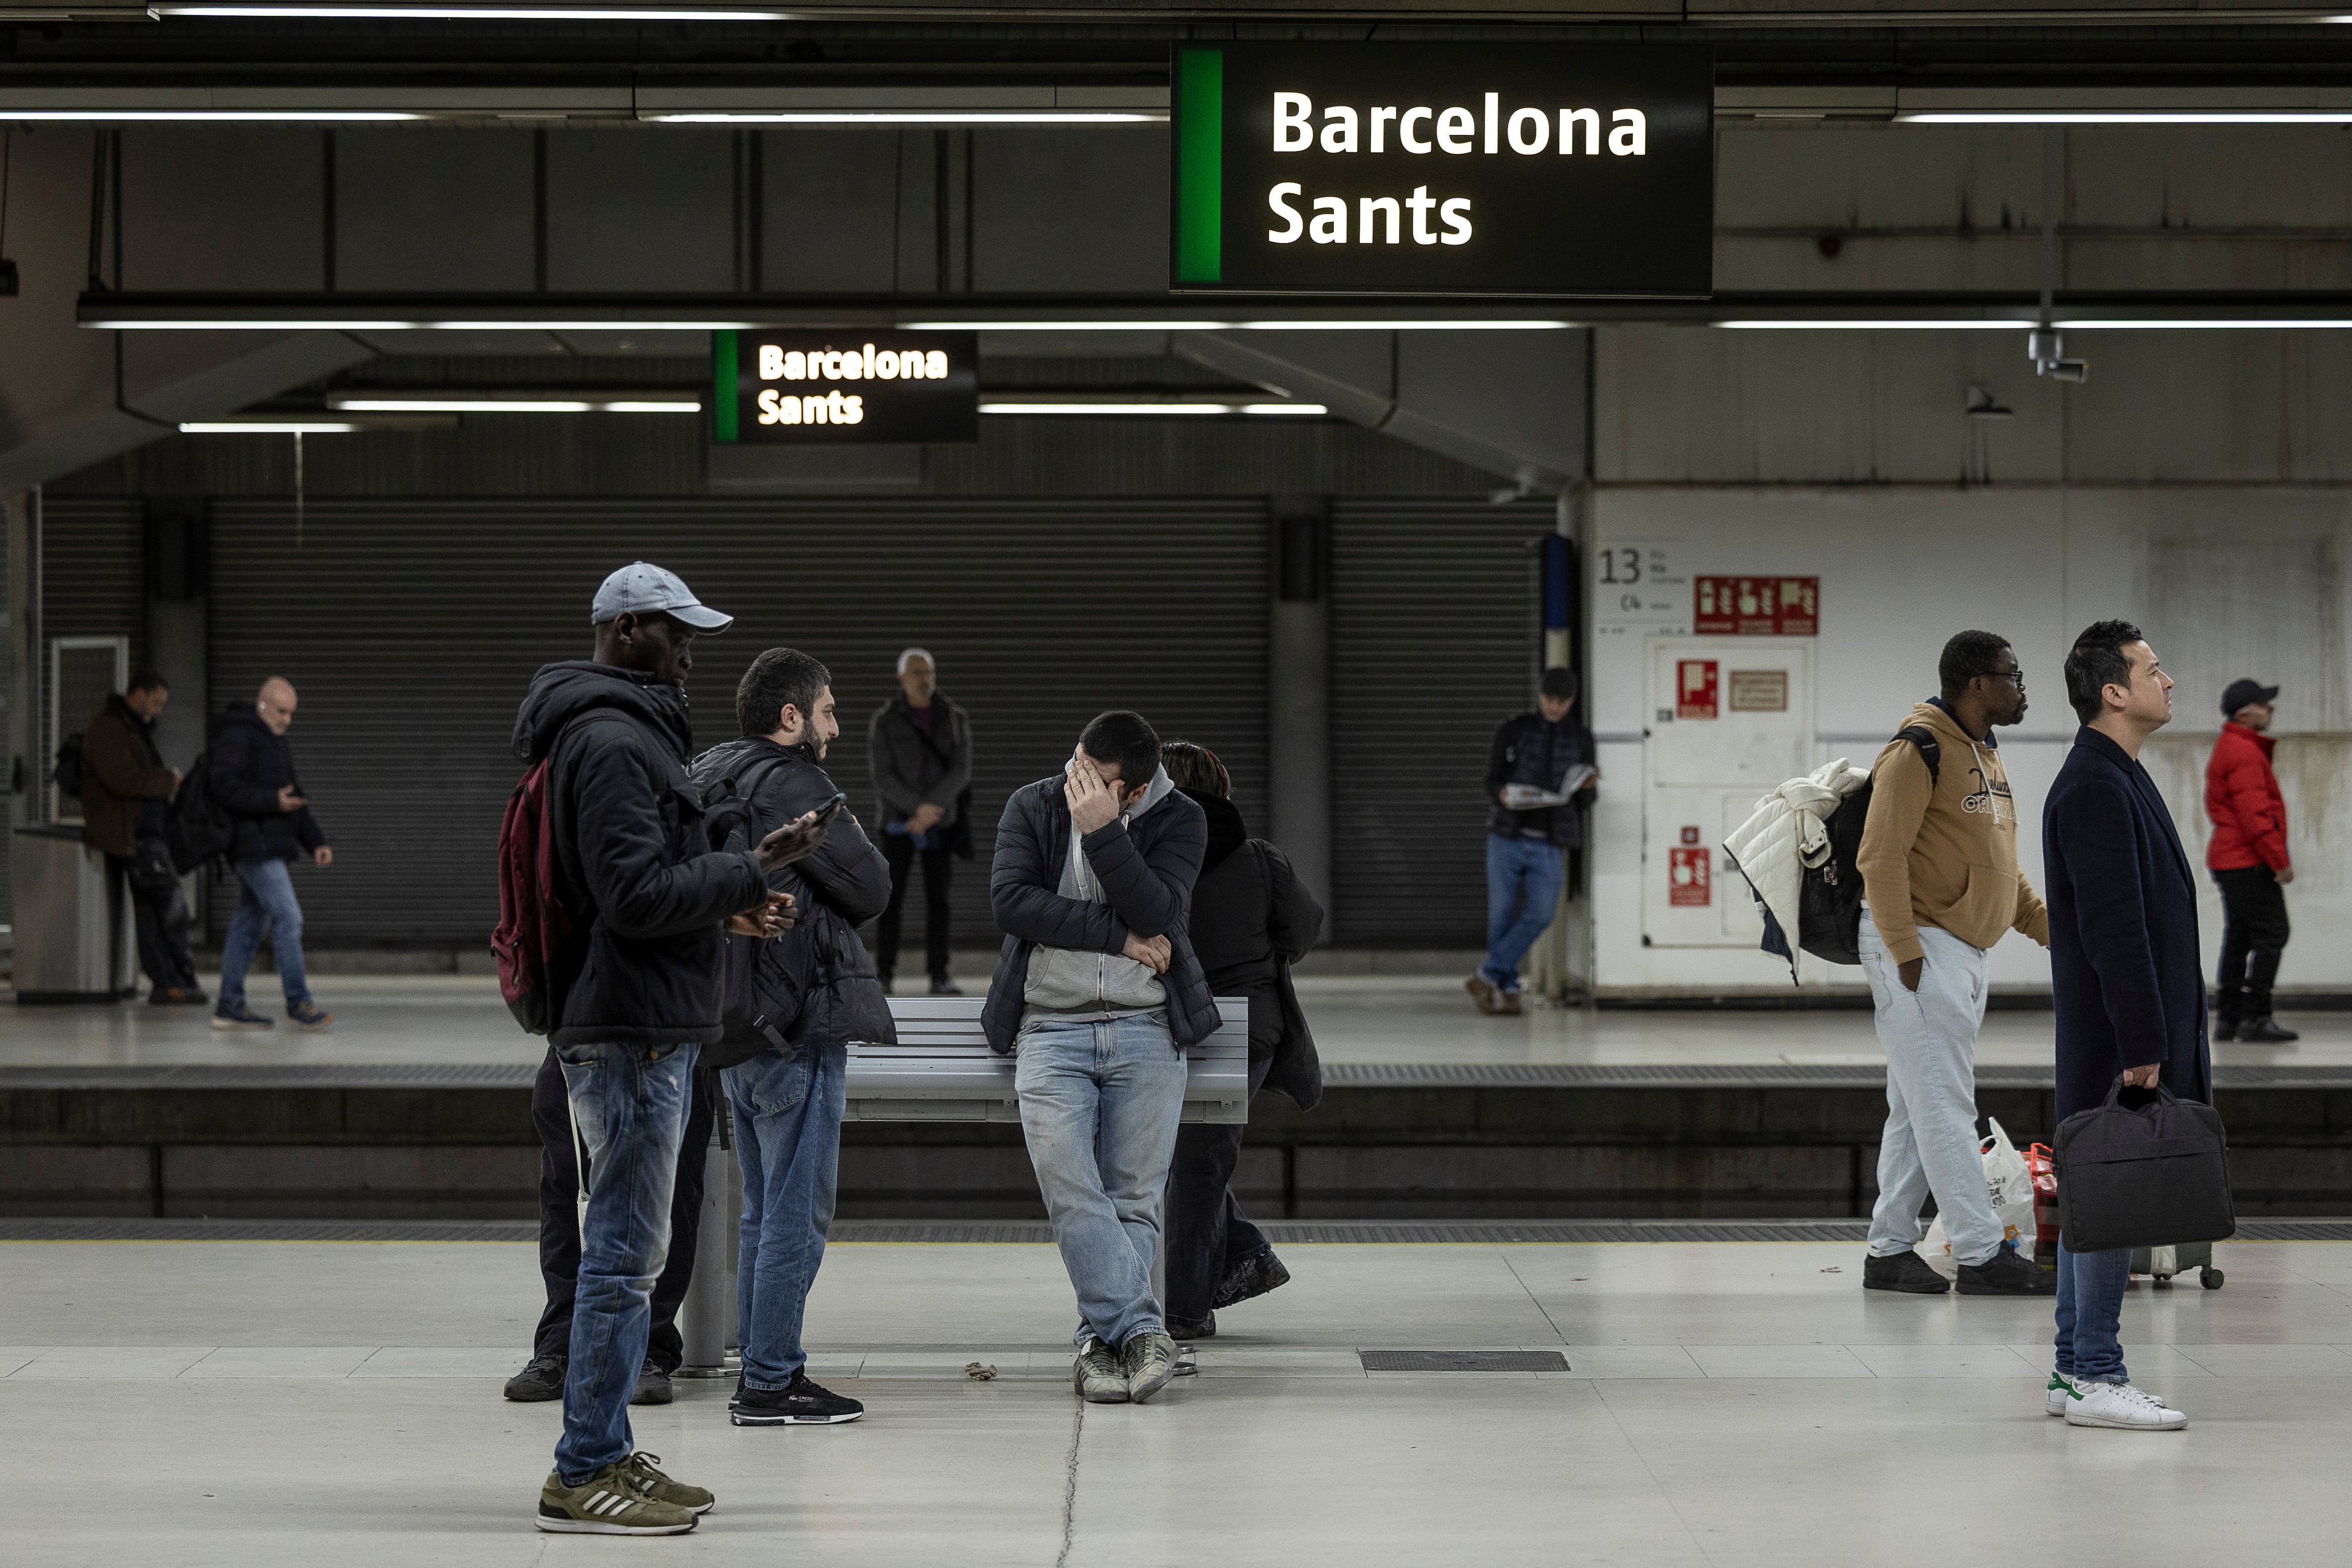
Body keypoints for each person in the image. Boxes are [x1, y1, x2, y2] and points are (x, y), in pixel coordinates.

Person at [513, 562, 825, 1535]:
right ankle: (584, 1468)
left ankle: (603, 1448)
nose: (692, 651)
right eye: (677, 632)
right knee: (621, 1259)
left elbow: (638, 894)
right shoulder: (609, 739)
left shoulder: (623, 730)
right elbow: (636, 896)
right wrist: (754, 863)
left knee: (631, 1255)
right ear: (627, 627)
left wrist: (730, 907)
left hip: (642, 1019)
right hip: (629, 1036)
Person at [984, 710, 1216, 1407]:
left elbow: (1159, 910)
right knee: (1071, 1187)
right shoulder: (1032, 804)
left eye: (1096, 782)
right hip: (1050, 1029)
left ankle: (1098, 1347)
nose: (1074, 786)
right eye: (1074, 767)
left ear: (1136, 792)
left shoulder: (1183, 821)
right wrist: (1118, 940)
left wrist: (1104, 833)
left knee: (1135, 1201)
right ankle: (1143, 1332)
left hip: (1147, 1029)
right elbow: (1013, 904)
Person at [693, 647, 893, 1429]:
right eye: (829, 711)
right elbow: (870, 885)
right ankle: (772, 1381)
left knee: (760, 1205)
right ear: (791, 718)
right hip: (793, 1018)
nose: (835, 727)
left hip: (728, 1018)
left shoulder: (705, 770)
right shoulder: (796, 782)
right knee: (795, 1208)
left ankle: (761, 1353)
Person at [1853, 631, 2054, 1297]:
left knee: (1916, 1109)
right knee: (1944, 1104)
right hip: (1922, 946)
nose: (2020, 687)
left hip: (1963, 950)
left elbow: (1999, 868)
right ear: (1975, 682)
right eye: (2011, 675)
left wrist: (2050, 929)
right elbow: (1879, 857)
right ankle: (1979, 1253)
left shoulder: (1985, 754)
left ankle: (1889, 1250)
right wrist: (1906, 954)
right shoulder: (1918, 751)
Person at [2042, 619, 2206, 1432]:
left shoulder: (2112, 774)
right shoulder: (2095, 786)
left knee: (2091, 1193)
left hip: (2118, 1028)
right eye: (2152, 667)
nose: (2166, 679)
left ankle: (2070, 1366)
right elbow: (2114, 928)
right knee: (2109, 1194)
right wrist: (2141, 1044)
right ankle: (2098, 1373)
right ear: (2112, 690)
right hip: (2117, 1034)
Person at [1157, 740, 1322, 1340]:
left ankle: (1185, 1303)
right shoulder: (1258, 857)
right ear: (1222, 789)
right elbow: (1303, 930)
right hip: (1245, 1032)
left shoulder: (1133, 855)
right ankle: (1232, 1262)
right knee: (1197, 1159)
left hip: (1159, 1024)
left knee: (1184, 1161)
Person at [501, 1060, 714, 1411]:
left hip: (671, 1041)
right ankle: (564, 1342)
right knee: (569, 1192)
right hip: (582, 1042)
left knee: (669, 1197)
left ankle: (648, 1346)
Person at [210, 678, 333, 1032]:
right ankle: (298, 1001)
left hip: (269, 845)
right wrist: (270, 801)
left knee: (249, 923)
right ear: (262, 705)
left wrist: (316, 842)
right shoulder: (240, 736)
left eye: (291, 713)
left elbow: (294, 797)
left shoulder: (274, 743)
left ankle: (229, 1005)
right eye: (282, 711)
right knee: (289, 918)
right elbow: (224, 786)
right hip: (254, 847)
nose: (287, 719)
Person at [1471, 667, 1596, 1015]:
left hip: (1550, 841)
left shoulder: (1581, 738)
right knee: (1501, 917)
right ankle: (1507, 989)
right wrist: (1503, 794)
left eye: (1563, 702)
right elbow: (1490, 781)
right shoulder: (1515, 731)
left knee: (1541, 913)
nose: (1555, 707)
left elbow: (1586, 800)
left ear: (1572, 701)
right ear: (1540, 696)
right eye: (1549, 700)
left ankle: (1485, 976)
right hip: (1506, 835)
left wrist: (1586, 790)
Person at [77, 672, 204, 1004]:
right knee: (171, 903)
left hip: (144, 833)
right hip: (135, 834)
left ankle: (169, 982)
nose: (161, 710)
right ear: (141, 694)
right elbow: (125, 779)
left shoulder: (131, 730)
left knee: (152, 909)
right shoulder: (108, 730)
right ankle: (175, 978)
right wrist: (166, 780)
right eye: (158, 701)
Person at [868, 647, 974, 996]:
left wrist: (933, 809)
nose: (925, 678)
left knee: (939, 900)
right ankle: (883, 973)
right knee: (891, 898)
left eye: (929, 671)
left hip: (940, 824)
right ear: (902, 678)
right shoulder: (886, 719)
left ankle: (939, 974)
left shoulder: (954, 716)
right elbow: (883, 776)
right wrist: (918, 809)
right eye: (917, 672)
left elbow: (961, 769)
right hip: (899, 823)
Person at [2206, 677, 2297, 1043]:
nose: (2271, 709)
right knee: (2274, 932)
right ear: (2244, 713)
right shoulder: (2243, 752)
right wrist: (2280, 860)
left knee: (2240, 936)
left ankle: (2229, 1018)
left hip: (2231, 858)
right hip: (2247, 858)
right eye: (2265, 704)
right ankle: (2257, 1017)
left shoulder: (2234, 746)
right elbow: (2255, 816)